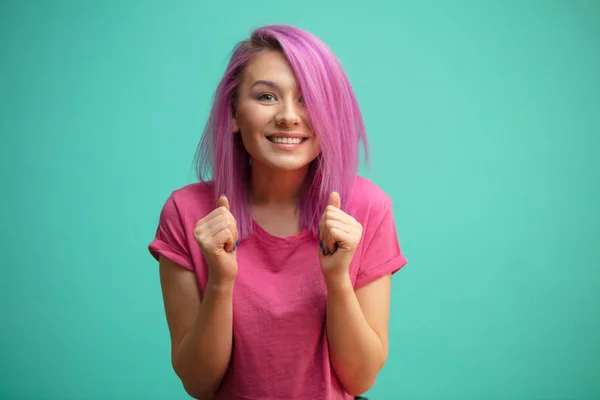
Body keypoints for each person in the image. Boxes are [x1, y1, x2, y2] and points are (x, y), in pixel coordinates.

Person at [148, 24, 408, 400]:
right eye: (267, 97)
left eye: (309, 99)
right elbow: (198, 383)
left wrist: (337, 280)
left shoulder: (368, 208)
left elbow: (361, 379)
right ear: (234, 114)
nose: (288, 116)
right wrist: (221, 282)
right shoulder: (187, 212)